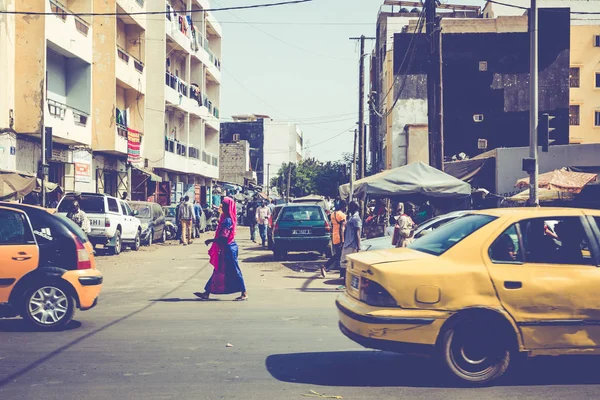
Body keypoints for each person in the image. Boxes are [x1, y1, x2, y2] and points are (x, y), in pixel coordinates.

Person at [194, 197, 248, 301]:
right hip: (227, 248)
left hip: (229, 249)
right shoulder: (225, 218)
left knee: (235, 270)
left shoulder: (228, 220)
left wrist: (211, 241)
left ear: (228, 207)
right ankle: (206, 292)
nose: (222, 206)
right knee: (218, 270)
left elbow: (223, 238)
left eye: (224, 205)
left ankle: (244, 292)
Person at [321, 200, 347, 278]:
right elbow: (342, 228)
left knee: (339, 256)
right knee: (339, 256)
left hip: (334, 237)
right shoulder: (342, 216)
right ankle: (325, 266)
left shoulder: (333, 214)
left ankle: (341, 274)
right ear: (344, 207)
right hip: (340, 238)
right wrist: (343, 240)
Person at [340, 201, 362, 283]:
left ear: (353, 208)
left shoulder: (356, 219)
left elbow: (358, 234)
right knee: (344, 263)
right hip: (347, 243)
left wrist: (358, 247)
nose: (348, 208)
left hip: (351, 245)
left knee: (347, 264)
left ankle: (346, 283)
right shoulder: (352, 218)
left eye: (349, 207)